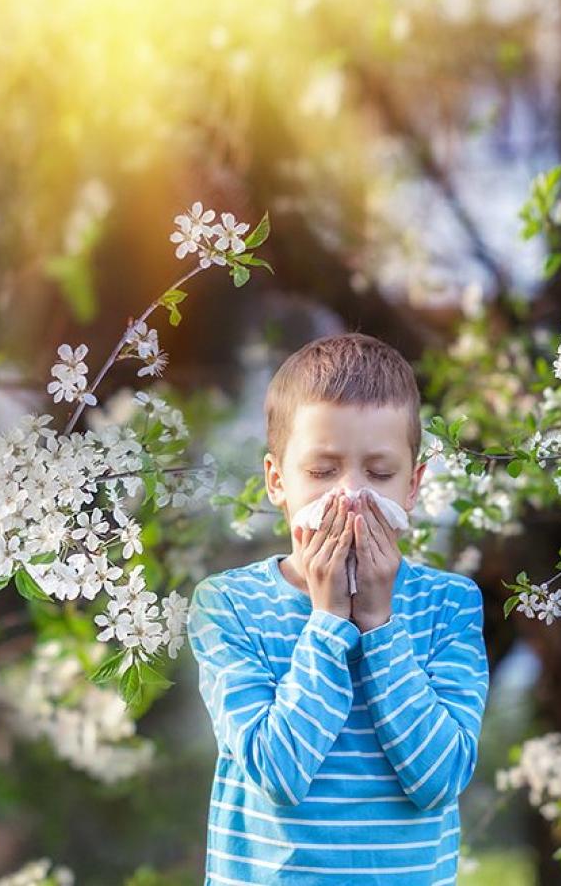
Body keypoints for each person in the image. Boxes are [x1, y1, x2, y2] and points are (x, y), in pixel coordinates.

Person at [187, 331, 490, 884]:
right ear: (277, 481)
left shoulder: (450, 606)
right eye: (323, 471)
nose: (351, 497)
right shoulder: (227, 606)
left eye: (378, 474)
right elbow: (277, 772)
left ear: (414, 484)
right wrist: (327, 623)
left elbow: (440, 778)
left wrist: (378, 624)